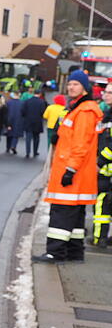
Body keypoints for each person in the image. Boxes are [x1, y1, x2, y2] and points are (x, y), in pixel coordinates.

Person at [34, 70, 102, 263]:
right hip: (75, 173)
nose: (71, 87)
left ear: (84, 88)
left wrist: (70, 170)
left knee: (62, 214)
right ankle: (74, 253)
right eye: (70, 84)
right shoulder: (78, 108)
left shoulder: (85, 111)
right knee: (76, 218)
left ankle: (55, 252)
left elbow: (81, 145)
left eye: (76, 84)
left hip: (72, 173)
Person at [92, 104, 112, 247]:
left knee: (102, 205)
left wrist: (100, 161)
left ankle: (100, 238)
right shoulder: (105, 116)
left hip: (105, 170)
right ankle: (101, 237)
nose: (107, 95)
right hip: (105, 171)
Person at [21, 89, 48, 158]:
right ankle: (35, 151)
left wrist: (25, 117)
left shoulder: (27, 101)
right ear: (40, 94)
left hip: (28, 121)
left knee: (28, 137)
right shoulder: (42, 102)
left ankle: (28, 152)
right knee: (36, 137)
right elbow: (43, 112)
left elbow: (23, 111)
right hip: (37, 121)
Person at [5, 89, 24, 155]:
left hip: (9, 119)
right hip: (18, 120)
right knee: (16, 134)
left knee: (9, 134)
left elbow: (6, 112)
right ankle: (13, 146)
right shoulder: (22, 103)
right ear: (19, 95)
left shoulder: (8, 102)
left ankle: (7, 147)